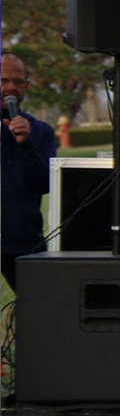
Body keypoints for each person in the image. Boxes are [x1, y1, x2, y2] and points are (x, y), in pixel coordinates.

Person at [0, 52, 57, 291]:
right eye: (3, 80)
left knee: (39, 309)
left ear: (27, 86)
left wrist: (25, 145)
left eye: (18, 81)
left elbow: (44, 183)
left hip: (21, 238)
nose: (11, 87)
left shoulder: (40, 131)